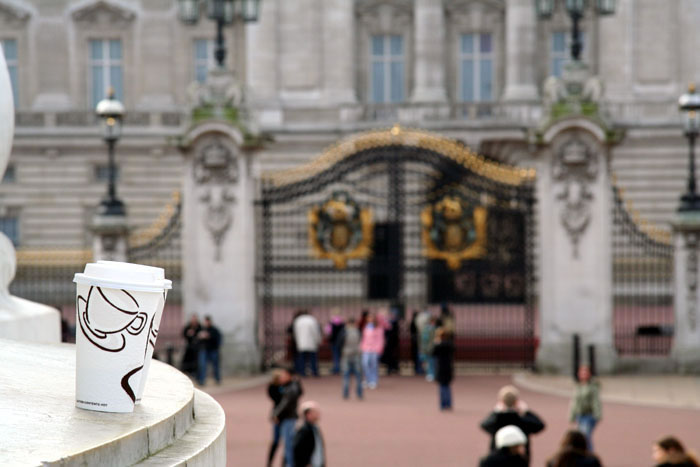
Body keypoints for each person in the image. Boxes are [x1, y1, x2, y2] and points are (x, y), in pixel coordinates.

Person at [480, 385, 545, 464]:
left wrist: (495, 412)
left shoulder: (497, 419)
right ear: (517, 402)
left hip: (496, 456)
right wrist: (527, 412)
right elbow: (540, 425)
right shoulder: (523, 419)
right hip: (519, 458)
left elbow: (484, 425)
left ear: (502, 402)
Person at [272, 368, 303, 467]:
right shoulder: (290, 386)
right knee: (287, 443)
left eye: (283, 376)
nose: (281, 378)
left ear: (289, 376)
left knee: (288, 444)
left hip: (288, 418)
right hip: (288, 418)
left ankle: (289, 464)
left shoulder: (291, 388)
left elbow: (285, 403)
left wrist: (276, 414)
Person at [569, 365, 601, 451]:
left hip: (588, 415)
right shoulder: (578, 386)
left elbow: (596, 401)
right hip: (579, 415)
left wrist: (597, 414)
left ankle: (589, 456)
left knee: (585, 437)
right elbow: (574, 402)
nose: (583, 375)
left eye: (585, 373)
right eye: (582, 373)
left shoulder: (592, 387)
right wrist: (571, 415)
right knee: (581, 437)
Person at [293, 401, 325, 467]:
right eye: (315, 412)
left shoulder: (314, 429)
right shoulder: (304, 430)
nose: (318, 414)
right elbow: (297, 450)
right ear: (308, 414)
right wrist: (305, 463)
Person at [338, 317, 363, 400]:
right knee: (358, 375)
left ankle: (345, 393)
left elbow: (339, 344)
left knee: (346, 375)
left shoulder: (344, 332)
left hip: (346, 354)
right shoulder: (358, 331)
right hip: (356, 354)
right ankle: (359, 393)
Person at [293, 310, 322, 377]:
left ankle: (303, 372)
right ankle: (314, 372)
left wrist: (297, 341)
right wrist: (318, 340)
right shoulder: (312, 320)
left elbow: (295, 333)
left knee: (302, 359)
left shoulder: (298, 320)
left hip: (301, 343)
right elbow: (316, 332)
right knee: (313, 359)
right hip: (311, 343)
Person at [360, 313, 384, 389]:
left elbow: (380, 340)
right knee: (365, 364)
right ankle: (367, 379)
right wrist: (361, 347)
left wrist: (379, 349)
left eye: (371, 318)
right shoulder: (366, 328)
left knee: (373, 365)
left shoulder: (379, 328)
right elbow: (363, 338)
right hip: (366, 349)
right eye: (369, 318)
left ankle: (373, 380)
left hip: (374, 349)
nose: (370, 319)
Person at [432, 327, 454, 410]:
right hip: (448, 367)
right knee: (447, 387)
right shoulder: (450, 344)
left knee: (442, 387)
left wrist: (436, 343)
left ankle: (443, 404)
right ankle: (448, 403)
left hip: (441, 367)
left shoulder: (439, 345)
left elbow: (433, 353)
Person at [197, 315, 222, 385]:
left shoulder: (214, 330)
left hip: (213, 350)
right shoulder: (202, 330)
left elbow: (218, 339)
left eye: (207, 321)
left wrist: (209, 336)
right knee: (202, 366)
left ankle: (217, 379)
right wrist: (200, 337)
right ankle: (202, 381)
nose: (206, 323)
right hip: (204, 350)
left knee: (215, 366)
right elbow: (197, 340)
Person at [267, 370, 284, 467]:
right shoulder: (274, 388)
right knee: (276, 441)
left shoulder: (288, 385)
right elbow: (276, 399)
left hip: (284, 416)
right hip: (278, 416)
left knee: (286, 442)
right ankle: (269, 463)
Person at [420, 315, 437, 381]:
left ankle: (431, 373)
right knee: (430, 362)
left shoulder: (426, 329)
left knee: (430, 362)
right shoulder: (431, 329)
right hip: (430, 348)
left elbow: (424, 340)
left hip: (428, 347)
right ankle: (431, 374)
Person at [409, 310, 423, 375]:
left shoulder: (413, 322)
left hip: (415, 341)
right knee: (417, 355)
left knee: (417, 355)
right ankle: (418, 368)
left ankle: (418, 368)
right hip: (416, 341)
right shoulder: (415, 323)